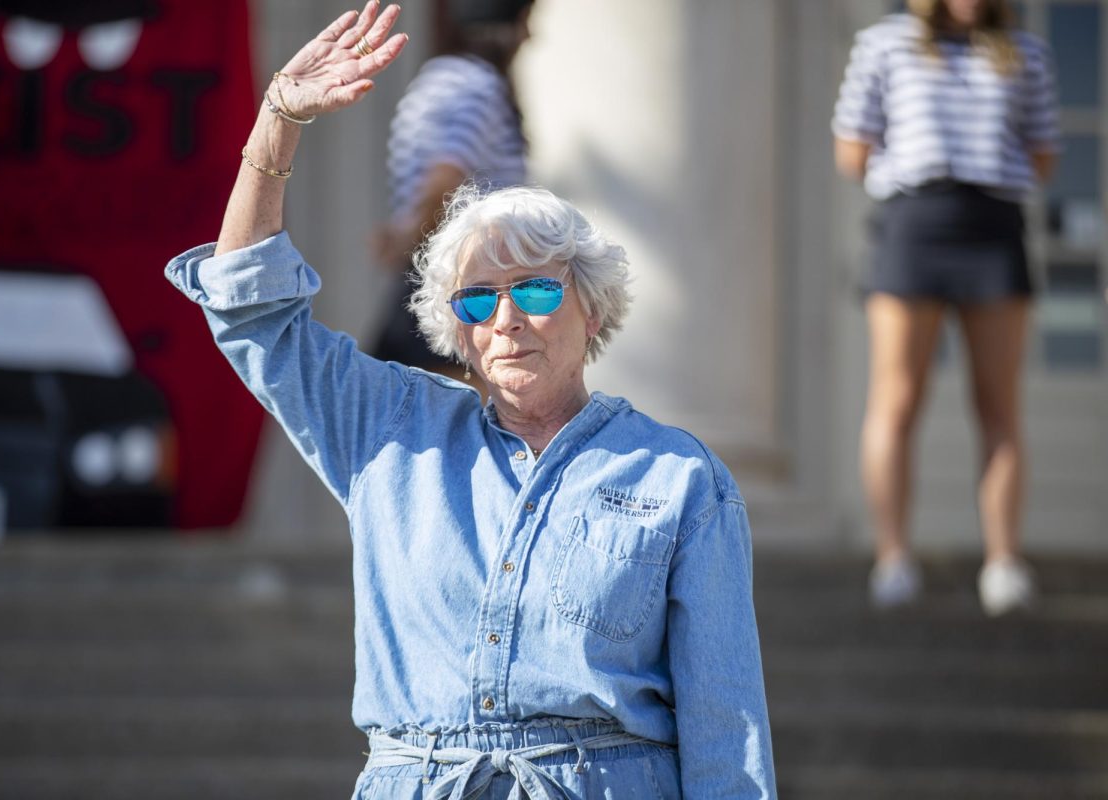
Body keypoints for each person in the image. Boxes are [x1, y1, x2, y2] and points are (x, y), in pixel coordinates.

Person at [165, 3, 776, 796]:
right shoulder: (389, 433)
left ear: (591, 309)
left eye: (534, 289)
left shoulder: (679, 478)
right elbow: (251, 309)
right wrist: (277, 117)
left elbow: (726, 729)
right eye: (479, 300)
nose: (508, 318)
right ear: (457, 329)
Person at [832, 0, 1060, 615]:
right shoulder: (884, 45)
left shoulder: (1026, 52)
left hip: (994, 228)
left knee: (998, 405)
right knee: (897, 399)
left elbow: (1043, 153)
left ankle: (1004, 562)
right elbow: (850, 149)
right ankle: (893, 559)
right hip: (913, 224)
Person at [368, 0, 531, 385]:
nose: (530, 36)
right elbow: (445, 178)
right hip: (461, 273)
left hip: (444, 266)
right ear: (501, 29)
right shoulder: (474, 84)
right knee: (461, 411)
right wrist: (409, 240)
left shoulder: (439, 77)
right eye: (525, 22)